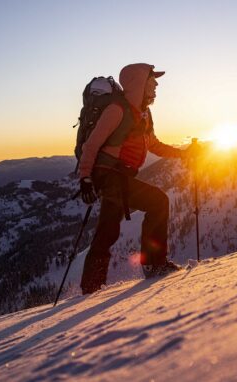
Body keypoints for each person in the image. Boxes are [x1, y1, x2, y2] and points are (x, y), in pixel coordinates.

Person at [77, 63, 192, 295]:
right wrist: (85, 178)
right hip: (109, 175)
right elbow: (92, 145)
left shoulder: (143, 114)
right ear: (140, 83)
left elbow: (154, 145)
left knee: (108, 230)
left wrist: (182, 153)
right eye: (152, 80)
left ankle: (91, 287)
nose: (157, 84)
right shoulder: (117, 110)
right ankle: (153, 264)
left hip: (121, 176)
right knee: (157, 202)